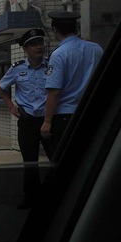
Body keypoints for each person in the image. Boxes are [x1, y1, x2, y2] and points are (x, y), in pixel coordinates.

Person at [0, 28, 50, 209]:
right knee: (30, 162)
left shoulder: (51, 66)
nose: (39, 47)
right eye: (34, 44)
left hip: (48, 120)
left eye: (40, 43)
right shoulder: (17, 68)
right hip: (27, 122)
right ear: (25, 49)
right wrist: (11, 106)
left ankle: (55, 195)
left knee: (55, 158)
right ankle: (31, 198)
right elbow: (1, 87)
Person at [40, 11, 104, 158]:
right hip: (91, 111)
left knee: (65, 157)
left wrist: (47, 121)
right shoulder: (96, 49)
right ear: (76, 28)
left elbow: (54, 91)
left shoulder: (59, 54)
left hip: (66, 116)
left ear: (54, 29)